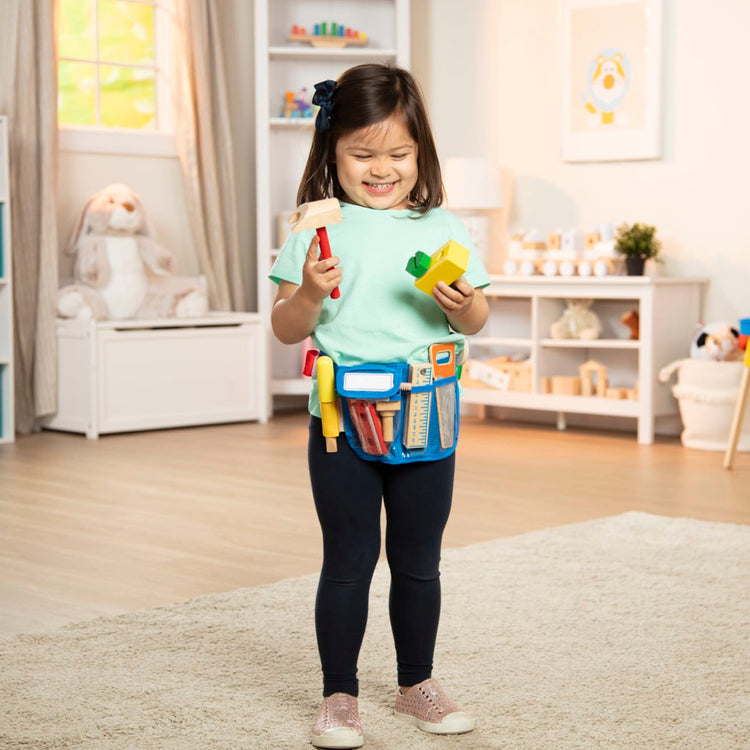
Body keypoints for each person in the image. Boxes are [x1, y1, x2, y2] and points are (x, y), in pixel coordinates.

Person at [269, 63, 490, 749]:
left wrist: (463, 304)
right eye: (362, 154)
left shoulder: (443, 224)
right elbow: (286, 325)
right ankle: (339, 695)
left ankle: (415, 683)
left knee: (419, 560)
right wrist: (309, 291)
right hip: (341, 423)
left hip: (429, 415)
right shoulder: (317, 230)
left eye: (398, 153)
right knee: (348, 559)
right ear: (331, 153)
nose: (382, 168)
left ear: (420, 151)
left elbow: (476, 316)